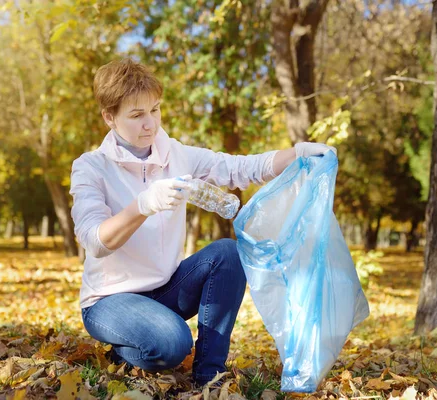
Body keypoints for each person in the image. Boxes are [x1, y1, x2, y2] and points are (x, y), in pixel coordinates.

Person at [69, 58, 335, 386]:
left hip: (164, 289)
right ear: (109, 117)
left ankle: (209, 374)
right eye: (137, 115)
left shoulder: (177, 154)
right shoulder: (91, 167)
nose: (150, 124)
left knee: (227, 252)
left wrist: (297, 153)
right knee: (172, 344)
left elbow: (241, 168)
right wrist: (144, 204)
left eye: (155, 110)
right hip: (109, 300)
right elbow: (94, 239)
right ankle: (125, 351)